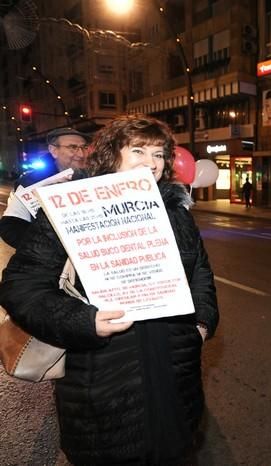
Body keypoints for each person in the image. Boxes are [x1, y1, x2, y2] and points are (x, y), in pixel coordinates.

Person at [0, 115, 219, 465]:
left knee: (176, 448)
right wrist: (85, 321)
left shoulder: (177, 212)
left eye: (160, 154)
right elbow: (21, 287)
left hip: (174, 373)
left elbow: (201, 276)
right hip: (102, 375)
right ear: (110, 155)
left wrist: (201, 326)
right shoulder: (70, 208)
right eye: (138, 151)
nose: (152, 163)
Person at [0, 127, 90, 248]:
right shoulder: (30, 182)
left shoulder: (96, 177)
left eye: (84, 147)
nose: (81, 154)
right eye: (73, 147)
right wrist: (42, 249)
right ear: (53, 150)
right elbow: (10, 227)